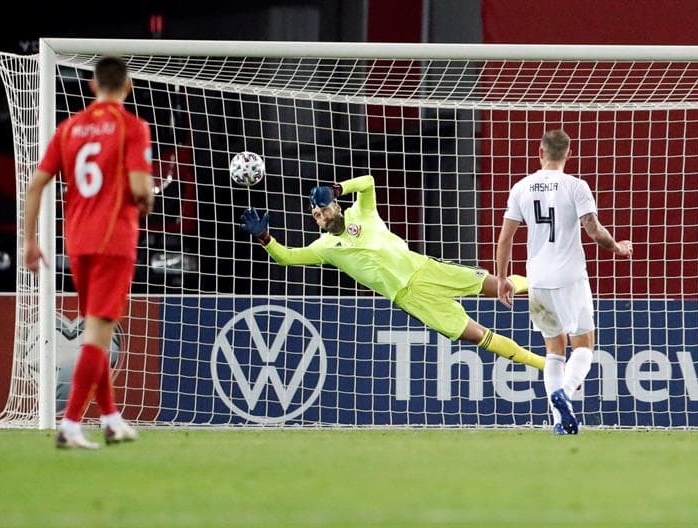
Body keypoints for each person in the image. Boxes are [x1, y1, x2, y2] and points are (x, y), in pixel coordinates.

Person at [239, 175, 546, 371]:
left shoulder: (362, 212)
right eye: (316, 215)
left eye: (325, 209)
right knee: (477, 336)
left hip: (423, 268)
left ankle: (546, 284)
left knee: (498, 286)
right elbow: (287, 257)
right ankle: (546, 366)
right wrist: (265, 238)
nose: (321, 217)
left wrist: (337, 187)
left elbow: (368, 182)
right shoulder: (325, 248)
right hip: (409, 297)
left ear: (336, 206)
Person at [23, 56, 154, 449]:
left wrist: (30, 241)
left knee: (98, 330)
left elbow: (36, 185)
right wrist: (145, 200)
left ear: (93, 86)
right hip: (114, 242)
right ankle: (70, 424)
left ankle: (111, 420)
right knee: (98, 335)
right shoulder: (132, 127)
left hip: (77, 243)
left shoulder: (69, 128)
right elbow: (140, 189)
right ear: (127, 86)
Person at [496, 130, 633, 435]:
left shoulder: (521, 187)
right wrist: (618, 248)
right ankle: (565, 393)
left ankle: (560, 422)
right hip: (570, 276)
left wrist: (503, 277)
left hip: (538, 280)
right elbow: (594, 230)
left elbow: (505, 238)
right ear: (569, 154)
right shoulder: (575, 186)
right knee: (584, 346)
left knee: (554, 352)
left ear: (539, 152)